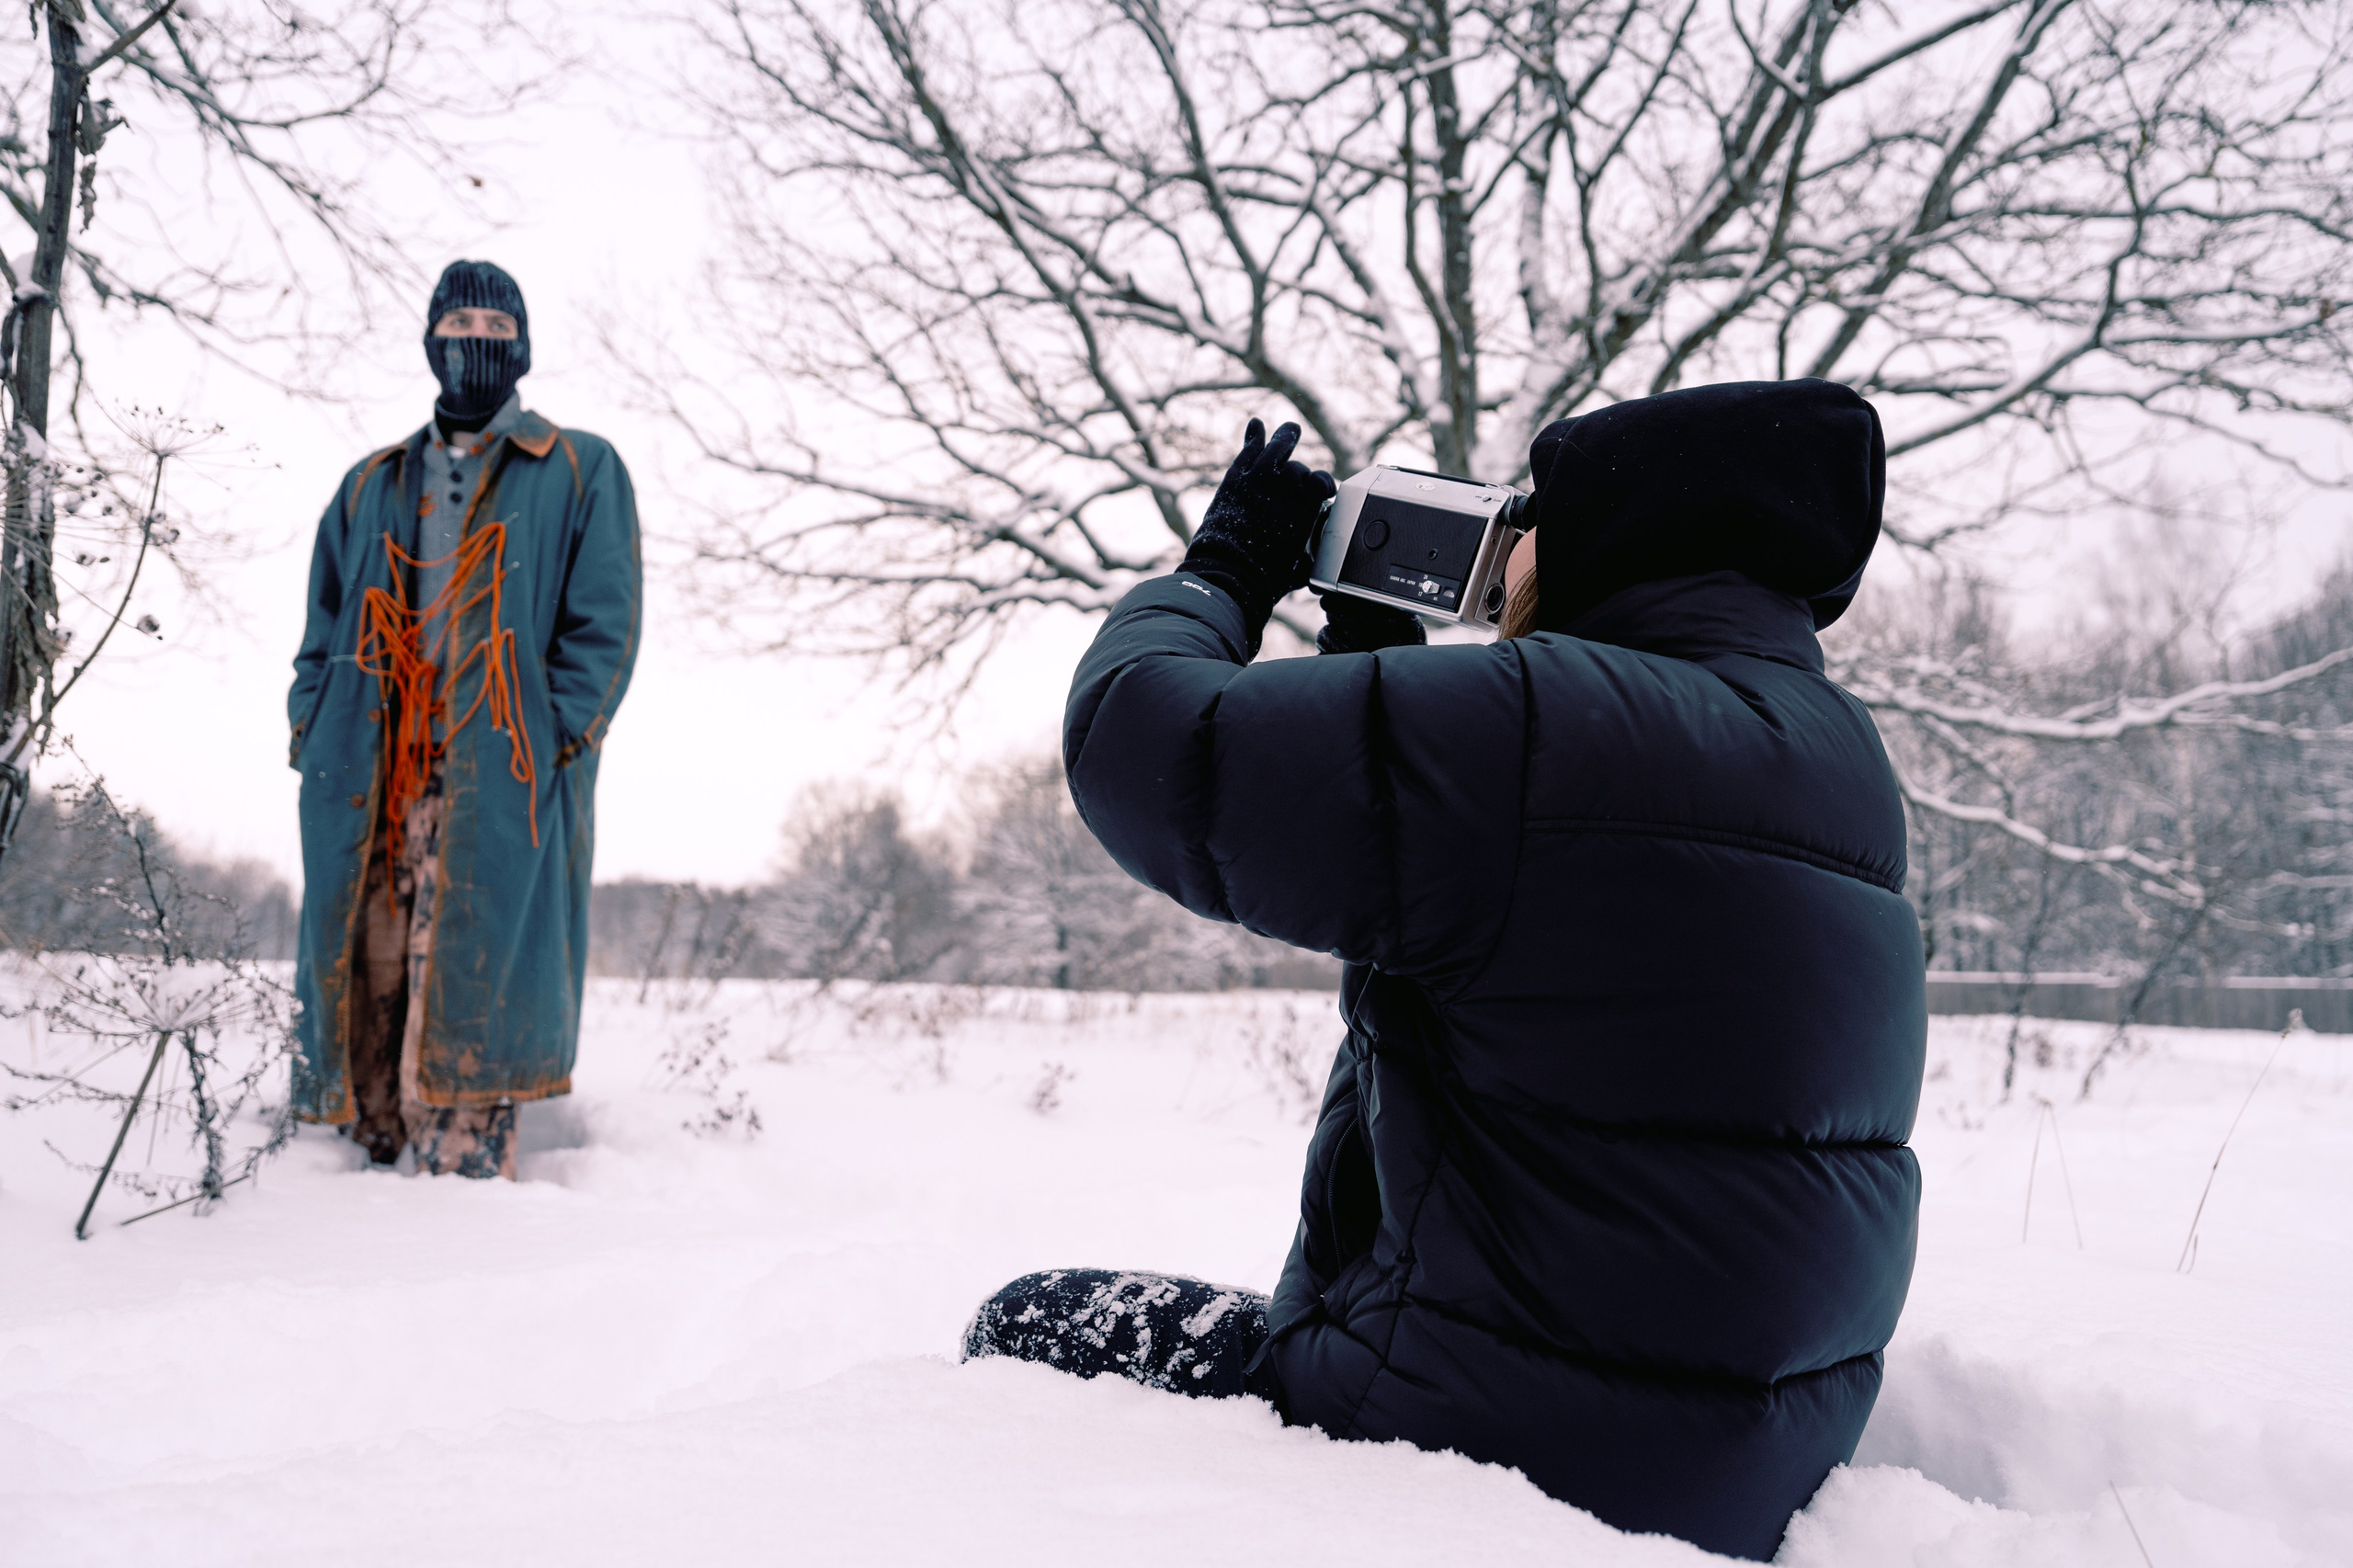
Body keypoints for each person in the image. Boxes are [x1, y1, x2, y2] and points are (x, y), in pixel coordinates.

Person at [964, 380, 1926, 1561]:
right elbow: (1552, 948)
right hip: (1734, 1474)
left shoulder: (1540, 719)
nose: (1506, 560)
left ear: (1606, 536)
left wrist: (1220, 571)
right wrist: (1384, 679)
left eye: (1526, 528)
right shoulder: (1836, 758)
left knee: (1021, 1324)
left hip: (1474, 1455)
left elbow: (1144, 743)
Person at [287, 260, 642, 1179]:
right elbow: (323, 622)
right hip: (370, 759)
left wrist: (556, 736)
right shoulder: (373, 480)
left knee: (481, 951)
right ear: (432, 339)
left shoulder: (577, 466)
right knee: (366, 949)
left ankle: (461, 1174)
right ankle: (360, 1160)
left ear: (520, 344)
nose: (475, 339)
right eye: (459, 321)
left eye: (494, 321)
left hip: (501, 761)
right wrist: (308, 726)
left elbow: (604, 623)